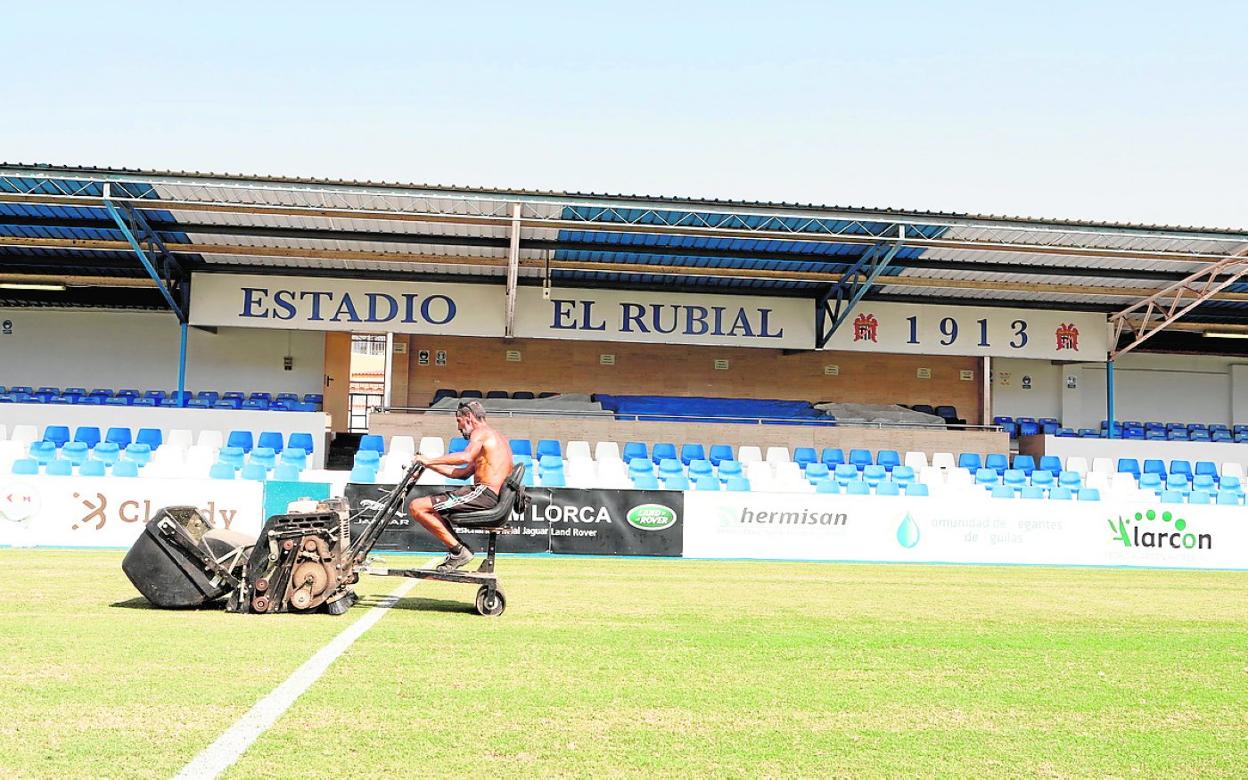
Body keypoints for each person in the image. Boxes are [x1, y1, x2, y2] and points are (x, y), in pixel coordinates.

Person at [407, 400, 511, 570]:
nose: (458, 427)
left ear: (469, 417)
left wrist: (429, 460)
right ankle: (458, 550)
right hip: (486, 494)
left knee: (417, 507)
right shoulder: (496, 437)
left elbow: (465, 457)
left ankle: (459, 551)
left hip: (485, 494)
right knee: (424, 507)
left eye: (458, 420)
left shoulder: (481, 432)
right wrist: (428, 464)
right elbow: (461, 473)